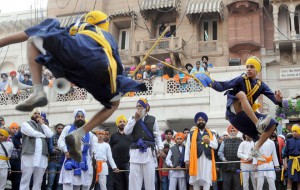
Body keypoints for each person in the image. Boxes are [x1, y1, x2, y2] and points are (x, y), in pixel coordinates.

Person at [0, 10, 146, 162]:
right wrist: (121, 83)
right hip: (99, 68)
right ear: (104, 25)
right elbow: (118, 67)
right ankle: (79, 134)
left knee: (33, 39)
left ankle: (38, 91)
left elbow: (27, 34)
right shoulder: (108, 37)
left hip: (72, 57)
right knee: (114, 103)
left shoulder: (77, 27)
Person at [202, 56, 283, 161]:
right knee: (241, 94)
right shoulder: (241, 79)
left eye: (252, 67)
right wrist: (210, 82)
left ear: (257, 70)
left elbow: (276, 101)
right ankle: (258, 124)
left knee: (272, 123)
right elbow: (222, 86)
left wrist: (279, 100)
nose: (248, 69)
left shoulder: (261, 85)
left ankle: (255, 149)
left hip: (245, 117)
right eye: (247, 66)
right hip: (233, 111)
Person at [124, 98, 164, 190]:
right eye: (137, 106)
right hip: (135, 154)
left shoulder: (153, 119)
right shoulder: (132, 118)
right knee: (134, 182)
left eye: (141, 106)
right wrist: (134, 119)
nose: (139, 108)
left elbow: (157, 136)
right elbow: (126, 131)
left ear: (146, 108)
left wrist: (160, 148)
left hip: (149, 153)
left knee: (150, 182)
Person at [58, 108, 98, 190]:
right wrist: (66, 151)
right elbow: (60, 141)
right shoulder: (67, 129)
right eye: (78, 116)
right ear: (75, 118)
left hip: (83, 162)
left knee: (80, 186)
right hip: (70, 159)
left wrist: (94, 160)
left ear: (84, 118)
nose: (80, 118)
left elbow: (93, 149)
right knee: (68, 185)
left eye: (82, 117)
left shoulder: (89, 133)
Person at [20, 108, 54, 190]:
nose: (37, 115)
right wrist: (43, 135)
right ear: (31, 115)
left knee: (38, 181)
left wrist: (42, 124)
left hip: (42, 156)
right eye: (35, 113)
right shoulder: (25, 124)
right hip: (29, 155)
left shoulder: (43, 126)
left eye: (39, 113)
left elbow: (50, 134)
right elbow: (32, 133)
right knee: (26, 178)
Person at [184, 112, 218, 190]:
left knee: (207, 179)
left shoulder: (211, 134)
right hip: (196, 159)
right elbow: (187, 148)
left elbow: (215, 146)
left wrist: (209, 142)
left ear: (205, 121)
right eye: (199, 120)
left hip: (207, 160)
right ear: (197, 122)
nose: (201, 121)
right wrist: (187, 160)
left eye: (202, 120)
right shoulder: (191, 134)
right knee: (196, 180)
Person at [109, 115, 131, 190]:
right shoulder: (113, 136)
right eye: (120, 122)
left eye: (124, 122)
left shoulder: (129, 135)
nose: (122, 123)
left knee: (129, 180)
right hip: (116, 163)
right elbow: (110, 148)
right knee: (118, 182)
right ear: (117, 124)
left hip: (127, 162)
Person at [218, 125, 242, 190]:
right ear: (229, 132)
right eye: (231, 131)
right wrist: (223, 159)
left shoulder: (241, 141)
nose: (232, 132)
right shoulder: (224, 141)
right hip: (226, 168)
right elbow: (220, 152)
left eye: (234, 131)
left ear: (237, 132)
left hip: (237, 168)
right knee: (226, 187)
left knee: (237, 187)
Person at [47, 123, 65, 190]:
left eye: (62, 128)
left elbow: (66, 150)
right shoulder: (52, 137)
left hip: (62, 163)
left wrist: (57, 148)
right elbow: (51, 150)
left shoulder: (64, 138)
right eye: (59, 128)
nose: (60, 130)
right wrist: (61, 149)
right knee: (50, 183)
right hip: (53, 163)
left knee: (59, 184)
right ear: (55, 129)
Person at [284, 124, 300, 190]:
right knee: (289, 180)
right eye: (293, 131)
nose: (294, 132)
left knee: (299, 180)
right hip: (291, 162)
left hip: (299, 162)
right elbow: (285, 153)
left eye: (295, 131)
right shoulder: (289, 141)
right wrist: (285, 163)